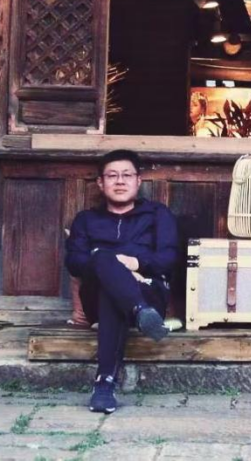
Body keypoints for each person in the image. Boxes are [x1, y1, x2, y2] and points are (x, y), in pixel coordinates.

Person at [65, 149, 179, 414]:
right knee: (103, 262)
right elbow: (75, 262)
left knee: (111, 291)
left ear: (138, 181)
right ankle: (139, 312)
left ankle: (104, 384)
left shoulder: (157, 215)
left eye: (127, 175)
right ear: (100, 182)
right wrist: (112, 265)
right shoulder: (86, 220)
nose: (120, 181)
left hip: (149, 291)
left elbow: (168, 258)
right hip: (97, 298)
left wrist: (136, 263)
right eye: (112, 176)